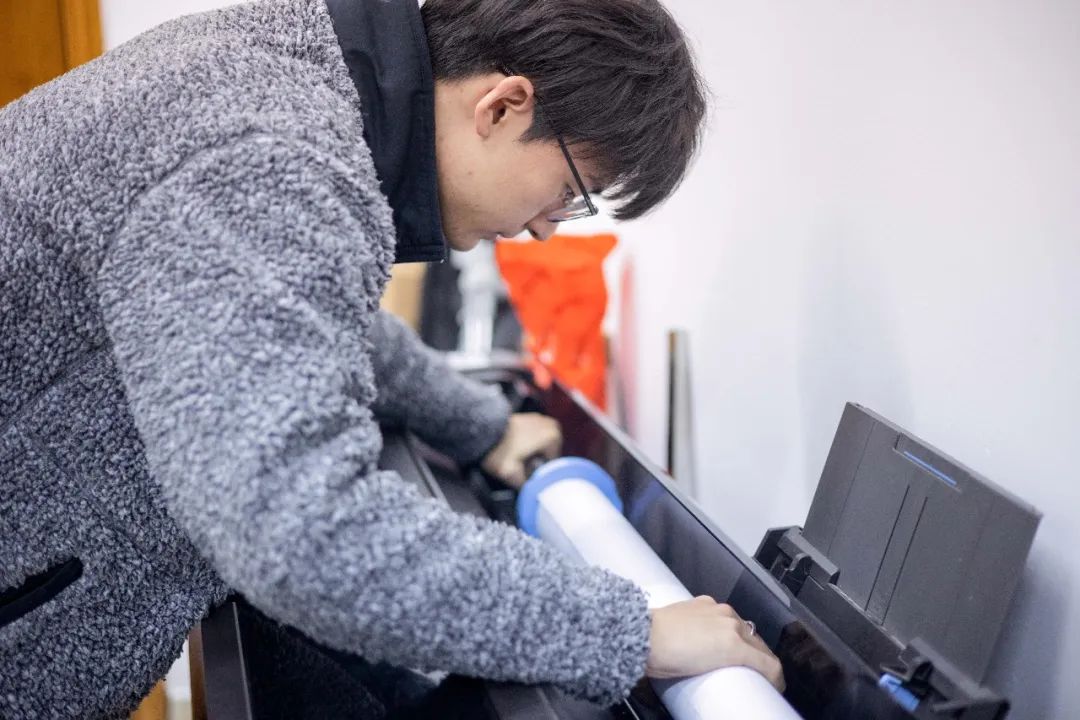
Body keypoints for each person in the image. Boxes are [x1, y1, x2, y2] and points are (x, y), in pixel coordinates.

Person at [0, 0, 784, 716]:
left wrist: (480, 425)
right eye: (571, 192)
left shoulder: (298, 82)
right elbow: (303, 531)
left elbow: (298, 316)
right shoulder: (269, 153)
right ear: (503, 106)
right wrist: (635, 632)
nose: (547, 229)